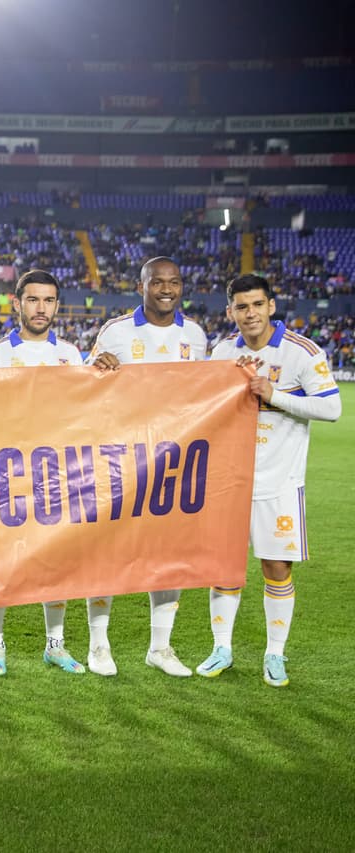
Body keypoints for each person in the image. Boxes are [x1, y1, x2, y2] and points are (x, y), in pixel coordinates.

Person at [201, 274, 341, 687]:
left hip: (279, 482)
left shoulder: (302, 352)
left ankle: (274, 654)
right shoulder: (223, 350)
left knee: (276, 568)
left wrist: (273, 394)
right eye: (241, 307)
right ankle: (221, 648)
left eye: (257, 305)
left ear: (271, 307)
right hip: (230, 480)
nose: (250, 314)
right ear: (231, 311)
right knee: (225, 569)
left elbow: (331, 408)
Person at [89, 256, 207, 678]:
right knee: (107, 552)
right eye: (157, 281)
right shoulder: (116, 332)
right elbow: (87, 388)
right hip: (120, 459)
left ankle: (160, 647)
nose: (166, 289)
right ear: (141, 285)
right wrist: (97, 368)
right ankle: (99, 645)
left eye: (174, 282)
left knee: (168, 554)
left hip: (174, 461)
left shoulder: (194, 335)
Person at [0, 269, 87, 676]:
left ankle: (55, 645)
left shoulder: (72, 356)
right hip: (7, 474)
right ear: (17, 303)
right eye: (33, 300)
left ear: (57, 305)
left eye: (49, 301)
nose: (41, 308)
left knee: (55, 564)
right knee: (1, 562)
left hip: (56, 474)